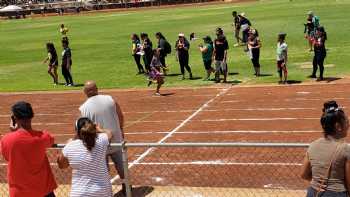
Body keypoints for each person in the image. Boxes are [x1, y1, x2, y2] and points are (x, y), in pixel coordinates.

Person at [79, 81, 128, 194]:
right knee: (122, 166)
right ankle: (127, 187)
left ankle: (106, 192)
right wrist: (120, 130)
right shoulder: (110, 99)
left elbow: (84, 128)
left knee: (103, 170)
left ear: (85, 92)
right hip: (116, 139)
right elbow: (120, 116)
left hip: (98, 144)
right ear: (97, 89)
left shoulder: (83, 108)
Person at [0, 101, 57, 197]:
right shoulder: (43, 137)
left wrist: (14, 132)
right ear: (31, 116)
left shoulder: (6, 139)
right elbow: (51, 139)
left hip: (19, 193)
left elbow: (7, 157)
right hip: (43, 190)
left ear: (14, 118)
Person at [301, 100, 350, 197]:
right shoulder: (345, 149)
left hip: (313, 192)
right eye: (347, 122)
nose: (348, 125)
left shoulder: (313, 145)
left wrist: (318, 181)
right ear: (338, 126)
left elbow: (304, 175)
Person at [57, 117, 113, 197]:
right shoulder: (101, 140)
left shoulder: (70, 146)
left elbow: (62, 165)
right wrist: (99, 129)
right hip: (103, 190)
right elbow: (109, 133)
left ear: (77, 131)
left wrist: (69, 143)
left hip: (80, 192)